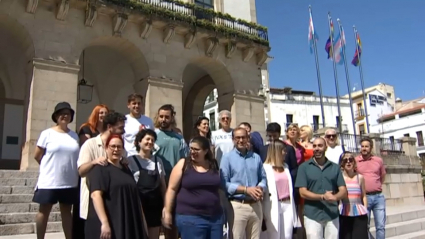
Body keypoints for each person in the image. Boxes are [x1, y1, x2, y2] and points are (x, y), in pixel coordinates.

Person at [85, 134, 148, 239]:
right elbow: (96, 196)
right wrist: (104, 223)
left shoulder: (126, 169)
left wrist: (143, 224)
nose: (116, 149)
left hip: (128, 221)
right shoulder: (100, 169)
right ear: (106, 148)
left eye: (119, 147)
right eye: (112, 146)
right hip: (111, 222)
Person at [33, 102, 79, 239]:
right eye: (62, 113)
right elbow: (37, 155)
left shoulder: (74, 136)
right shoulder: (47, 134)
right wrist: (50, 167)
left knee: (67, 212)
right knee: (44, 211)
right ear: (56, 116)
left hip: (69, 181)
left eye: (68, 114)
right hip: (49, 181)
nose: (65, 116)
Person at [163, 136, 224, 239]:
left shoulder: (213, 164)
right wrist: (168, 212)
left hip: (215, 218)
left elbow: (217, 189)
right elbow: (171, 189)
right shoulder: (184, 164)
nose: (192, 152)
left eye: (196, 149)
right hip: (190, 218)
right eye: (191, 148)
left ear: (205, 151)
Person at [77, 112, 127, 224]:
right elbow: (81, 171)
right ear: (109, 127)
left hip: (114, 203)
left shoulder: (121, 147)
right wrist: (93, 162)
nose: (123, 131)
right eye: (120, 128)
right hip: (94, 201)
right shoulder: (90, 144)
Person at [295, 137, 347, 239]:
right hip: (312, 215)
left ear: (326, 147)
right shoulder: (304, 167)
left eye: (320, 146)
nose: (317, 148)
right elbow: (302, 192)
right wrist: (322, 196)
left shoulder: (335, 167)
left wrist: (335, 197)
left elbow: (343, 190)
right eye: (314, 146)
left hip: (332, 214)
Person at [220, 127, 267, 239]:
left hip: (255, 205)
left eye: (243, 137)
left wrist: (260, 188)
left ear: (248, 138)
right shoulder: (227, 158)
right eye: (237, 138)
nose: (241, 140)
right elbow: (223, 183)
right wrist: (246, 189)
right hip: (237, 205)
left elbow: (263, 178)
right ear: (233, 139)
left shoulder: (256, 157)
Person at [74, 104, 109, 239]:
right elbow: (86, 147)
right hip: (89, 168)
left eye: (106, 113)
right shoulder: (87, 128)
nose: (103, 115)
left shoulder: (107, 131)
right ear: (95, 114)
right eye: (101, 113)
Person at [153, 104, 188, 239]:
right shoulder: (153, 135)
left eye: (166, 117)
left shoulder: (179, 139)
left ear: (172, 117)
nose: (163, 119)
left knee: (172, 222)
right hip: (157, 184)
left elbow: (186, 158)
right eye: (161, 116)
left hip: (176, 185)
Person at [128, 129, 167, 239]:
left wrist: (165, 206)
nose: (150, 142)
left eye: (152, 140)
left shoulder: (158, 161)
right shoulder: (130, 161)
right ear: (139, 142)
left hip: (155, 207)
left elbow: (163, 186)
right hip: (138, 207)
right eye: (147, 139)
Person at [261, 140, 300, 239]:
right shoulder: (265, 168)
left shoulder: (286, 167)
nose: (285, 153)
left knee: (287, 235)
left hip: (287, 204)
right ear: (276, 152)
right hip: (273, 205)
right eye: (283, 151)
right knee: (274, 235)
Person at [355, 138, 386, 239]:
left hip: (378, 197)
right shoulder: (356, 161)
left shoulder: (378, 160)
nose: (364, 148)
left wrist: (375, 186)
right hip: (364, 198)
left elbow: (382, 176)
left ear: (371, 148)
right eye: (362, 146)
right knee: (364, 226)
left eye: (366, 146)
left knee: (380, 226)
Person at [338, 152, 368, 239]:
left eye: (350, 160)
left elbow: (364, 195)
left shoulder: (360, 177)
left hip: (359, 212)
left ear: (354, 162)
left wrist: (365, 209)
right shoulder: (340, 178)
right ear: (342, 164)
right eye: (345, 160)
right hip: (344, 212)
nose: (348, 162)